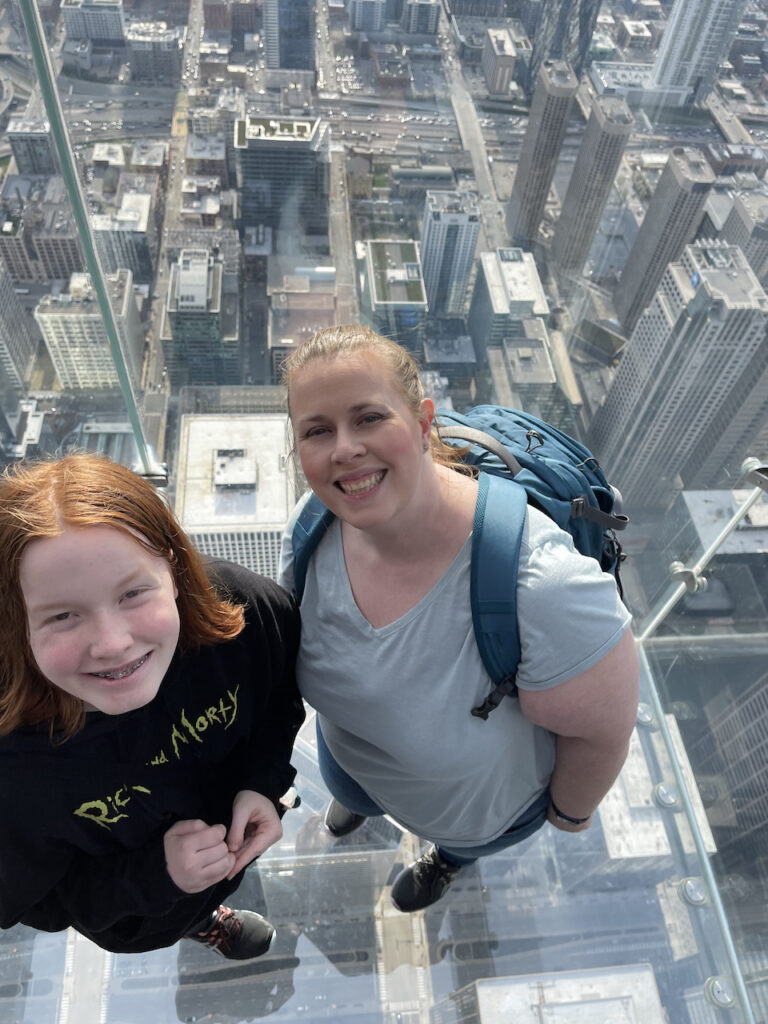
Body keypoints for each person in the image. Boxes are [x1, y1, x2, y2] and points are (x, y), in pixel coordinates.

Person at [279, 324, 639, 914]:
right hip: (351, 760)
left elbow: (603, 732)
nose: (344, 448)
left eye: (369, 418)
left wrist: (571, 814)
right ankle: (355, 805)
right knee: (351, 788)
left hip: (472, 813)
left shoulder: (539, 585)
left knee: (458, 844)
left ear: (423, 424)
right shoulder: (312, 524)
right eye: (318, 431)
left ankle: (445, 860)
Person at [0, 454, 305, 959]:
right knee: (174, 916)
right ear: (16, 623)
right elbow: (46, 902)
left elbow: (279, 696)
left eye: (133, 593)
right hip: (141, 916)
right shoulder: (13, 762)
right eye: (62, 615)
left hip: (230, 843)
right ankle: (202, 922)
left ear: (175, 567)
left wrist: (264, 783)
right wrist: (156, 877)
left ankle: (206, 909)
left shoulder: (243, 615)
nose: (113, 643)